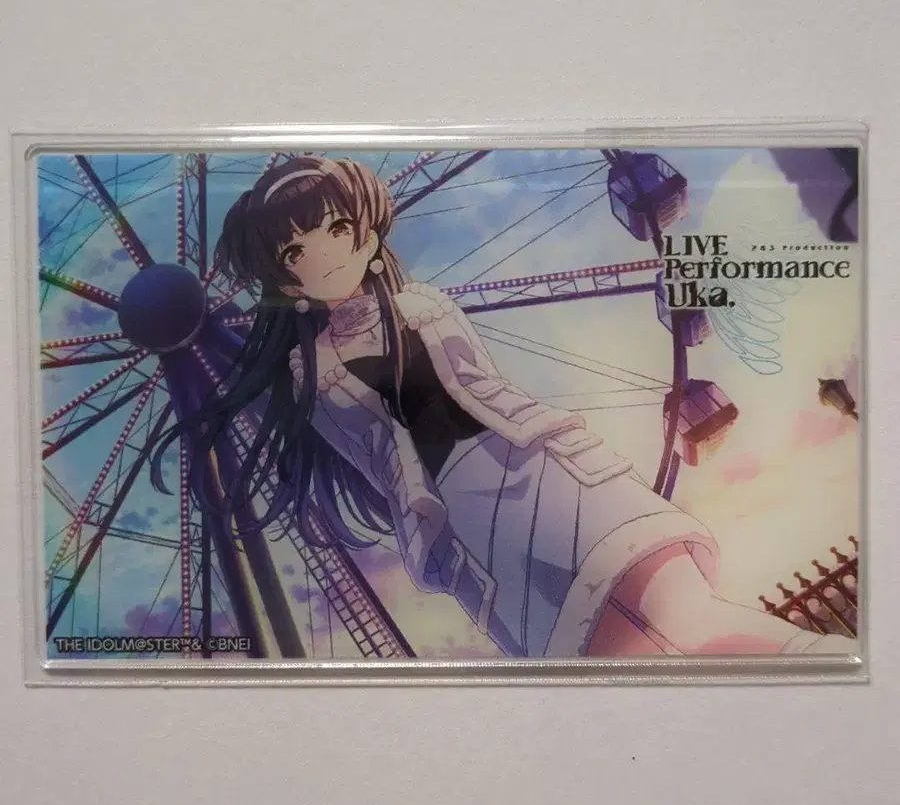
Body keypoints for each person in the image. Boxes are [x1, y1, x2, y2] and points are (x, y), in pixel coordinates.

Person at [163, 154, 853, 659]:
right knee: (601, 659)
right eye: (296, 251)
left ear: (367, 232)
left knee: (681, 611)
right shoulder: (309, 377)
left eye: (338, 229)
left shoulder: (422, 305)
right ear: (284, 279)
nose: (323, 255)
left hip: (539, 471)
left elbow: (483, 390)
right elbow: (368, 457)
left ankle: (819, 674)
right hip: (459, 525)